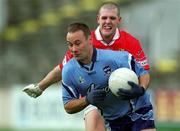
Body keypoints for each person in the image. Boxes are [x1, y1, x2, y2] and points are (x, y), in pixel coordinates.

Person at [23, 2, 150, 131]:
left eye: (112, 18)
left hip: (124, 97)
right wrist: (40, 87)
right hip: (96, 96)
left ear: (119, 20)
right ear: (98, 19)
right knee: (93, 117)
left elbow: (143, 71)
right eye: (104, 18)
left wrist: (141, 89)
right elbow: (63, 69)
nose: (108, 21)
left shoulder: (130, 42)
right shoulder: (81, 42)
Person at [62, 22, 156, 131]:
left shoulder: (116, 58)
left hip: (139, 112)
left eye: (77, 43)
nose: (73, 49)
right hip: (113, 121)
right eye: (70, 44)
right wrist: (86, 100)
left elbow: (143, 73)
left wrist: (141, 89)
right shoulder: (69, 71)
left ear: (90, 40)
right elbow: (68, 106)